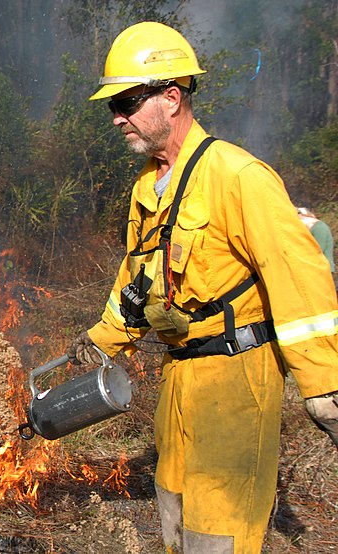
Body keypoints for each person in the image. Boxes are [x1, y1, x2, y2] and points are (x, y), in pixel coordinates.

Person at [67, 21, 338, 554]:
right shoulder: (149, 184)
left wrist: (324, 384)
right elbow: (139, 279)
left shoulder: (239, 176)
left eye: (126, 100)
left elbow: (299, 278)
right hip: (180, 373)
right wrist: (104, 338)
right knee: (175, 514)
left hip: (237, 380)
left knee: (219, 532)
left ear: (172, 98)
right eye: (111, 106)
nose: (117, 117)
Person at [297, 206, 335, 272]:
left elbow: (318, 249)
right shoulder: (309, 229)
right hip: (312, 268)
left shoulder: (319, 228)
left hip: (322, 270)